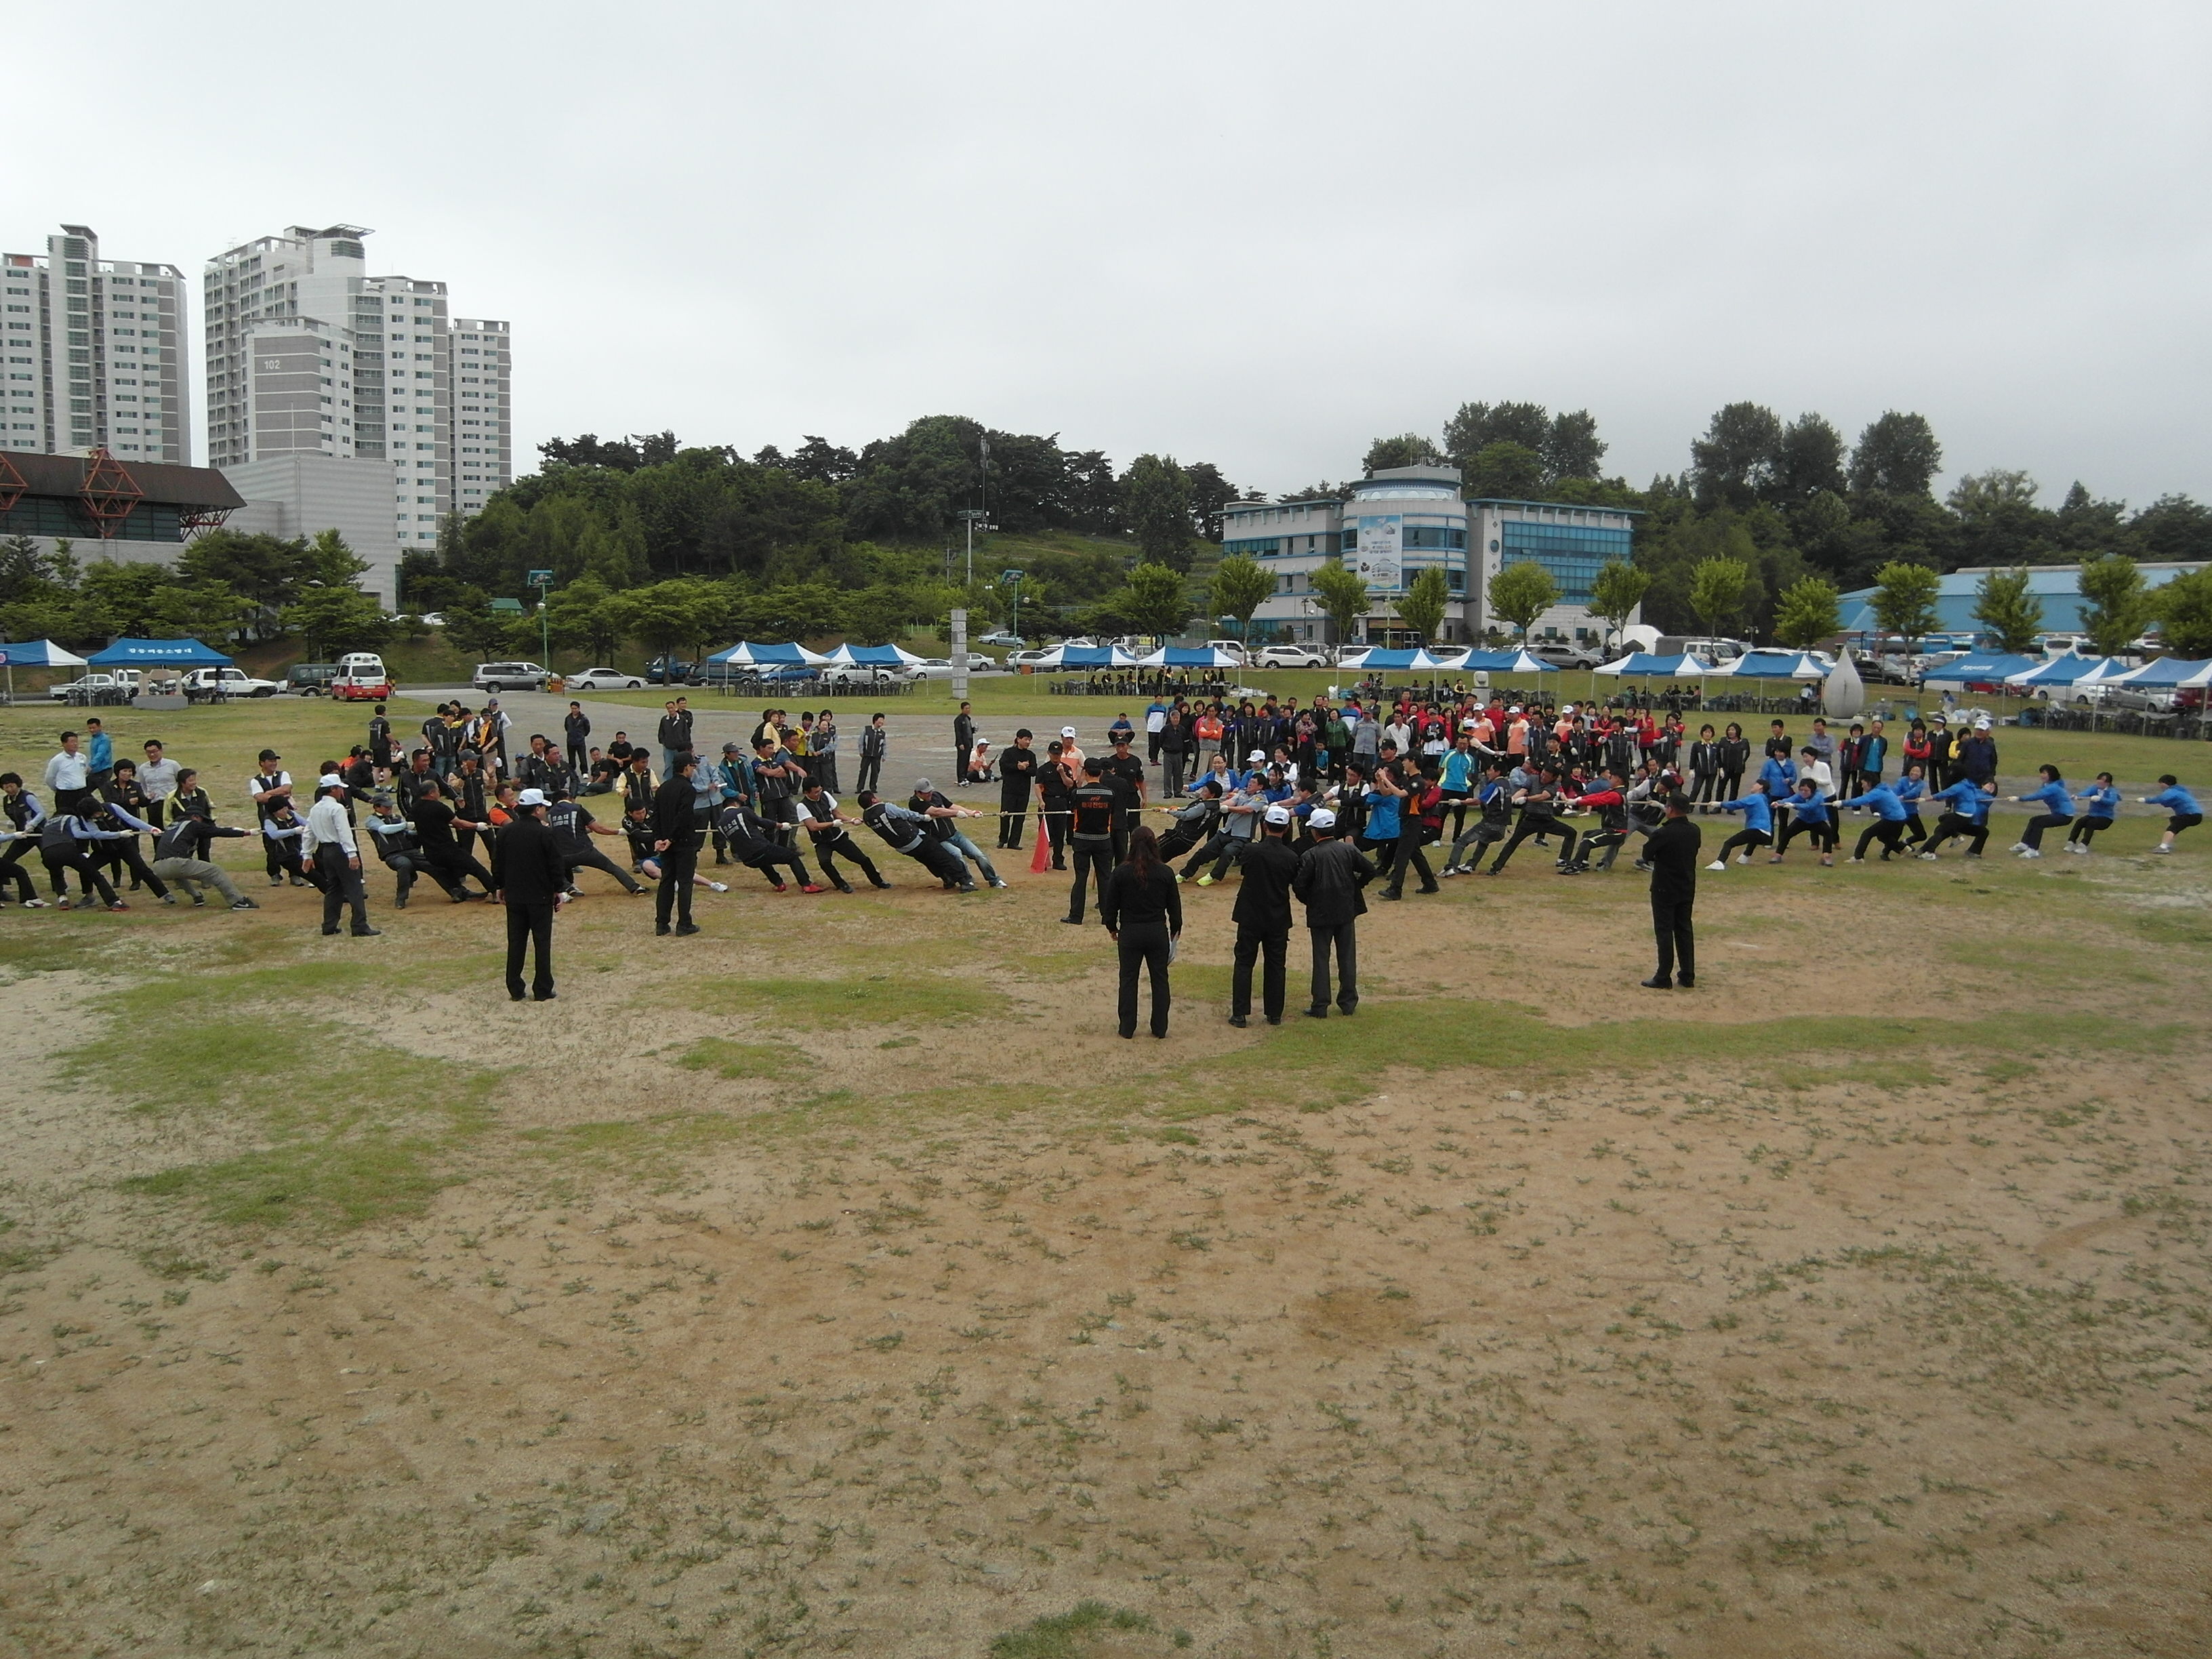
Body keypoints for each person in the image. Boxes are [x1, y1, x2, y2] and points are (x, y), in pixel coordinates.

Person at [1099, 824, 1181, 1040]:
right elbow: (1174, 906)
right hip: (1157, 931)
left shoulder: (1121, 872)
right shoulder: (1165, 872)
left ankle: (1127, 1027)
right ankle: (1160, 1027)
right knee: (1160, 979)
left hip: (1130, 932)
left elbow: (1111, 904)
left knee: (1128, 979)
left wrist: (1111, 926)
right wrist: (1175, 930)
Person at [1292, 806, 1372, 1018]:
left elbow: (1299, 886)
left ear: (1314, 831)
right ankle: (1348, 1003)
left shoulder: (1310, 855)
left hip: (1320, 912)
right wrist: (1355, 887)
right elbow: (1369, 870)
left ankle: (1320, 1005)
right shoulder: (1347, 850)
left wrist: (1311, 901)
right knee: (1347, 957)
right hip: (1346, 909)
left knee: (1321, 958)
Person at [1229, 804, 1300, 1027]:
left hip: (1250, 914)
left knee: (1244, 962)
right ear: (1286, 828)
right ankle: (1274, 1013)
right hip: (1278, 916)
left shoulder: (1251, 851)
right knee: (1276, 965)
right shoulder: (1291, 856)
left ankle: (1240, 1013)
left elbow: (1245, 870)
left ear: (1264, 826)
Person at [499, 788, 569, 1000]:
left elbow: (498, 862)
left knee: (516, 942)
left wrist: (500, 886)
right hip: (540, 896)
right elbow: (555, 864)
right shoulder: (545, 833)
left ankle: (515, 988)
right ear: (537, 809)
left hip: (514, 895)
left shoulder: (506, 831)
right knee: (542, 942)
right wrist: (559, 889)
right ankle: (543, 988)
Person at [303, 775, 379, 937]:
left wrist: (307, 854)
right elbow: (344, 832)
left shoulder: (315, 809)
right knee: (354, 888)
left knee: (334, 888)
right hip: (340, 850)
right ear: (333, 789)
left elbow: (308, 833)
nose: (342, 792)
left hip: (326, 851)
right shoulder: (337, 809)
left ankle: (329, 925)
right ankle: (359, 925)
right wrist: (352, 853)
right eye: (339, 789)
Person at [857, 790, 975, 888]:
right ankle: (964, 881)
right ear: (874, 800)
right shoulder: (886, 808)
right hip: (916, 839)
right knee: (943, 857)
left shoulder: (866, 818)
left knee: (928, 861)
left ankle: (946, 879)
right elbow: (906, 814)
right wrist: (923, 817)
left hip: (903, 848)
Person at [1643, 792, 1700, 989]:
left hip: (1664, 887)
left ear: (1670, 809)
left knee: (1664, 930)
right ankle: (1687, 974)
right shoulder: (1694, 831)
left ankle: (1663, 975)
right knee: (1684, 929)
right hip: (1686, 885)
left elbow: (1647, 853)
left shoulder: (1664, 833)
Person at [150, 806, 258, 909]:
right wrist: (246, 833)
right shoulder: (192, 824)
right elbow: (216, 831)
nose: (202, 822)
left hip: (158, 868)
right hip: (174, 863)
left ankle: (196, 896)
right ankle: (238, 902)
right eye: (201, 819)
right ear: (195, 817)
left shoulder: (172, 826)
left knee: (178, 873)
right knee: (215, 870)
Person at [548, 788, 649, 895]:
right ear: (567, 798)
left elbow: (560, 831)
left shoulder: (550, 814)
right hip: (585, 851)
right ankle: (635, 888)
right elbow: (598, 829)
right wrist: (619, 832)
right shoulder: (577, 808)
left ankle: (569, 888)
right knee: (611, 868)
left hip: (565, 855)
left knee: (558, 869)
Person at [908, 779, 1006, 887]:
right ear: (918, 792)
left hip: (954, 834)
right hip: (940, 840)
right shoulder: (915, 803)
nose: (930, 794)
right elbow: (937, 812)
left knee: (979, 855)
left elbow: (951, 806)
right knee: (957, 855)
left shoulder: (936, 795)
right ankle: (967, 880)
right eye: (927, 792)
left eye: (930, 791)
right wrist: (957, 814)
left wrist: (971, 812)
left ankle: (994, 880)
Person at [796, 779, 889, 891]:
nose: (819, 793)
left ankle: (878, 881)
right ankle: (841, 884)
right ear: (806, 793)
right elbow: (813, 826)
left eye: (820, 790)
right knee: (824, 862)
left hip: (838, 837)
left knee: (863, 859)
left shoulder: (826, 795)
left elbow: (837, 814)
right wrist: (832, 824)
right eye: (816, 792)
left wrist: (851, 820)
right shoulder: (802, 806)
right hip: (822, 842)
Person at [1062, 760, 1122, 923]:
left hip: (1082, 839)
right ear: (1101, 773)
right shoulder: (1110, 794)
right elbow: (1113, 814)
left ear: (1086, 773)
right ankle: (1107, 916)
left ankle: (1076, 915)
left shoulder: (1078, 793)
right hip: (1103, 840)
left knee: (1080, 878)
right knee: (1105, 878)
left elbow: (1073, 811)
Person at [653, 753, 705, 935]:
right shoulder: (688, 789)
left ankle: (661, 923)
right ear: (686, 767)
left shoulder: (663, 788)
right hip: (683, 841)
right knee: (685, 882)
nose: (694, 769)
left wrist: (659, 838)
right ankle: (684, 923)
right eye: (693, 766)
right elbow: (684, 816)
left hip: (664, 842)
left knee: (666, 881)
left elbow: (656, 815)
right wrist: (673, 838)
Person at [0, 773, 49, 906]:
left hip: (39, 834)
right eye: (6, 787)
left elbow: (41, 813)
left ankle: (60, 887)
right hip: (22, 835)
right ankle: (1, 890)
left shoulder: (28, 797)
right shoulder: (6, 801)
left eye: (11, 786)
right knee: (7, 860)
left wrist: (32, 824)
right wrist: (12, 824)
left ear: (18, 785)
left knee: (49, 858)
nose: (9, 789)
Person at [1919, 776, 1998, 859]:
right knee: (1944, 827)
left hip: (1970, 823)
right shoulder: (1972, 790)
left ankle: (1973, 851)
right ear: (1983, 785)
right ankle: (1927, 849)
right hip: (1962, 819)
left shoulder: (1989, 799)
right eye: (1989, 784)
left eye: (1993, 786)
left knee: (1984, 832)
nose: (1991, 786)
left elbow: (1974, 796)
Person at [1841, 779, 1912, 862]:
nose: (1862, 786)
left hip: (1893, 818)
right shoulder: (1884, 789)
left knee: (1867, 833)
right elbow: (1879, 801)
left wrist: (1842, 803)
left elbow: (1861, 800)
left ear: (1869, 783)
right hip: (1900, 818)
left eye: (1863, 784)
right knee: (1882, 836)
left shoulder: (1877, 792)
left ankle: (1858, 858)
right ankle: (1902, 847)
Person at [2009, 766, 2073, 857]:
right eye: (2041, 773)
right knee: (2034, 820)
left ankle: (2034, 850)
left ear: (2051, 775)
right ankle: (2024, 844)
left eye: (2044, 773)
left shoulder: (2053, 787)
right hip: (2058, 814)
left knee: (2039, 823)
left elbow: (2038, 795)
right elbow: (2039, 794)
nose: (2042, 775)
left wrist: (2019, 798)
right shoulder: (2047, 785)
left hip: (2065, 816)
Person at [1769, 777, 1835, 866]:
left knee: (1828, 833)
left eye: (1806, 790)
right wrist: (1778, 803)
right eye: (1801, 790)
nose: (1803, 792)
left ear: (1813, 790)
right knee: (1787, 834)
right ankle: (1777, 855)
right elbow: (1791, 799)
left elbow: (1809, 806)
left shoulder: (1818, 796)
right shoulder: (1800, 795)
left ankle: (1826, 857)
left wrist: (1794, 806)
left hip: (1817, 821)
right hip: (1803, 819)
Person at [1706, 786, 1776, 869]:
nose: (1753, 786)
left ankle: (1720, 862)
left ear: (1761, 787)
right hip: (1767, 835)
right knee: (1753, 838)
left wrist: (1720, 804)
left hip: (1757, 830)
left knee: (1729, 843)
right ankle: (1744, 857)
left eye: (1756, 784)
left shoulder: (1755, 797)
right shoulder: (1763, 799)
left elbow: (1737, 804)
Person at [998, 729, 1039, 848]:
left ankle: (1014, 842)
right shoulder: (1008, 753)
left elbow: (1034, 771)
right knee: (1005, 815)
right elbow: (1004, 767)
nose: (1028, 742)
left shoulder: (1030, 755)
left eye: (1029, 740)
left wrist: (1026, 769)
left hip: (1023, 791)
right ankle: (1002, 839)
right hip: (1009, 789)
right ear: (1018, 739)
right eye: (1026, 739)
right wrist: (1017, 767)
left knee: (1020, 816)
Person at [2142, 775, 2201, 854]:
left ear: (2164, 783)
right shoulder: (2180, 790)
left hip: (2190, 815)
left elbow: (2161, 799)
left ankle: (2163, 847)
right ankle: (2166, 844)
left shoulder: (2172, 791)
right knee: (2174, 822)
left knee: (2172, 828)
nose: (2160, 786)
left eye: (2160, 784)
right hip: (2195, 815)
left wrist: (2145, 800)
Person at [2066, 773, 2119, 853]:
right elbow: (2085, 793)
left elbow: (2112, 801)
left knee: (2091, 824)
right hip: (2093, 815)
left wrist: (2100, 799)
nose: (2099, 782)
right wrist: (2077, 796)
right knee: (2080, 822)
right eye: (2099, 779)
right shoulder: (2093, 788)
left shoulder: (2112, 791)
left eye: (2102, 780)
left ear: (2108, 783)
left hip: (2106, 817)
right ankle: (2071, 842)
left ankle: (2084, 845)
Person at [44, 731, 92, 816]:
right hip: (66, 795)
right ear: (64, 744)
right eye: (72, 742)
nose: (75, 744)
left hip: (82, 792)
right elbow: (49, 778)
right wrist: (58, 789)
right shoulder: (57, 760)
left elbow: (84, 772)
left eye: (76, 741)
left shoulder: (82, 757)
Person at [137, 740, 180, 827]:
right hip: (154, 805)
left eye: (154, 751)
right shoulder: (143, 768)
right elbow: (143, 786)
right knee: (157, 831)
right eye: (149, 752)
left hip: (171, 803)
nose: (152, 755)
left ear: (161, 750)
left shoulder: (173, 765)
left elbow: (181, 782)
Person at [855, 712, 888, 796]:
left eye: (883, 721)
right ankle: (860, 787)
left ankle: (873, 787)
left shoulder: (882, 734)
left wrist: (884, 755)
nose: (881, 722)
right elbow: (861, 741)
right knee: (863, 771)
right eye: (880, 720)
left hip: (877, 756)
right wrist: (861, 751)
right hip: (867, 754)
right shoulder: (867, 730)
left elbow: (884, 745)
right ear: (875, 721)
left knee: (875, 772)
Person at [563, 701, 591, 774]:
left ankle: (584, 772)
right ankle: (572, 771)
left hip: (580, 741)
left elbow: (587, 729)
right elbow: (566, 727)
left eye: (575, 709)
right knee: (571, 758)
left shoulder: (583, 718)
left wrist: (582, 735)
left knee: (582, 757)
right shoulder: (568, 718)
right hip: (570, 741)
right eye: (572, 709)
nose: (574, 710)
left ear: (579, 709)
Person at [953, 701, 976, 786]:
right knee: (962, 761)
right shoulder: (959, 720)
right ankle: (961, 779)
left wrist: (973, 730)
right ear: (962, 709)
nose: (968, 710)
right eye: (966, 708)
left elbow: (968, 730)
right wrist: (960, 743)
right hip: (963, 744)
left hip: (969, 742)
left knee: (966, 761)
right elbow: (958, 733)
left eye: (969, 708)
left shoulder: (968, 719)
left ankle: (965, 777)